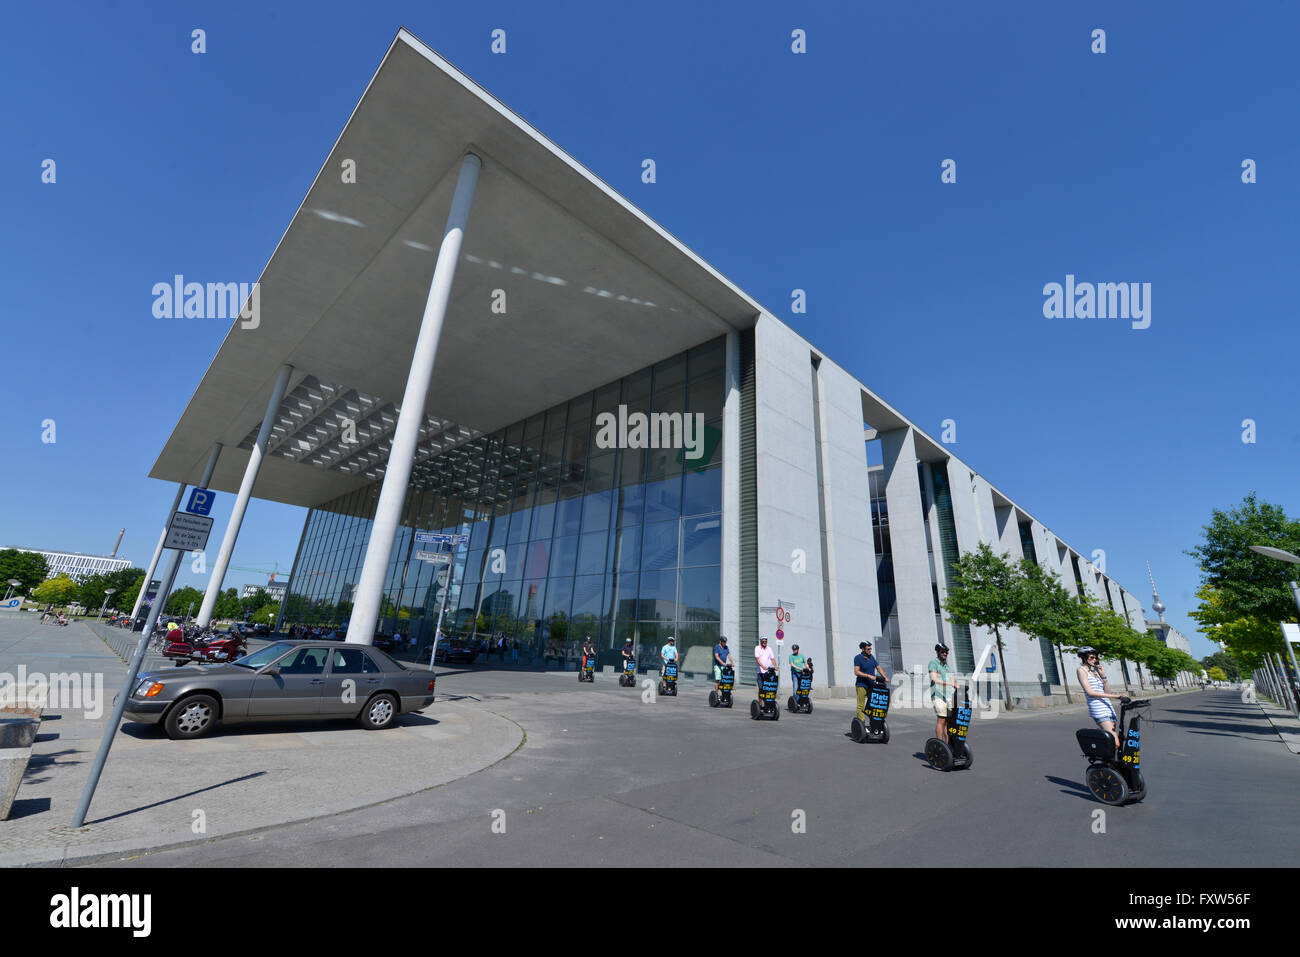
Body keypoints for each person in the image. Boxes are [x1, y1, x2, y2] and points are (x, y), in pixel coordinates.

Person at [1077, 649, 1125, 749]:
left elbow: (1107, 692)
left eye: (1096, 657)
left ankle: (1108, 764)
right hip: (1099, 710)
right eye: (1091, 657)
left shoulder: (1096, 672)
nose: (1094, 660)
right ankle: (1106, 762)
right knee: (1115, 742)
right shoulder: (1081, 670)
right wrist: (1117, 696)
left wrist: (1103, 676)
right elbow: (1090, 693)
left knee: (1112, 741)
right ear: (1084, 658)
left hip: (1109, 709)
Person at [853, 640, 888, 727]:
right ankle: (861, 724)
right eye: (868, 649)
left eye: (870, 648)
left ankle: (874, 723)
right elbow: (856, 672)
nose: (870, 650)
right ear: (863, 649)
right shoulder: (858, 658)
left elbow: (878, 667)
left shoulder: (871, 657)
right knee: (860, 706)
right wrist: (868, 676)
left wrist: (884, 677)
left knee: (874, 704)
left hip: (871, 686)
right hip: (861, 685)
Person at [928, 644, 959, 740]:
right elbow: (934, 679)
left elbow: (953, 681)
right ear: (938, 652)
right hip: (938, 696)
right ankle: (940, 744)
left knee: (948, 721)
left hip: (949, 696)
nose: (945, 654)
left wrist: (958, 687)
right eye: (942, 652)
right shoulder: (933, 663)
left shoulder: (947, 666)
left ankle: (947, 746)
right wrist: (950, 683)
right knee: (941, 720)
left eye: (946, 652)